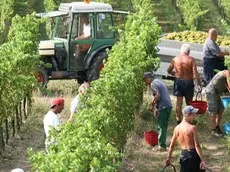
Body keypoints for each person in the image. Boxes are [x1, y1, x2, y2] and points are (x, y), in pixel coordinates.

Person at [167, 43, 201, 124]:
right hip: (188, 82)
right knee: (189, 102)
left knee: (179, 102)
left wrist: (174, 73)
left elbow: (169, 70)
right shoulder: (191, 59)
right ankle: (189, 120)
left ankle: (178, 120)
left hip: (178, 81)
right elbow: (195, 72)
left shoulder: (175, 59)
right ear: (189, 52)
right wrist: (198, 84)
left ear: (181, 51)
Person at [165, 105, 206, 172]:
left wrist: (168, 157)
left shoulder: (177, 128)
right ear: (187, 115)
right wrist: (202, 160)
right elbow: (197, 145)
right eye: (193, 114)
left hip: (183, 155)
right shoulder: (192, 128)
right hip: (193, 155)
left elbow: (172, 145)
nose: (195, 115)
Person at [144, 72, 172, 151]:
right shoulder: (158, 81)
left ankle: (161, 146)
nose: (145, 82)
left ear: (148, 78)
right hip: (168, 105)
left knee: (161, 126)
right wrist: (156, 108)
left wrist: (152, 105)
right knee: (164, 126)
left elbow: (158, 96)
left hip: (163, 106)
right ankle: (162, 144)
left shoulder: (153, 84)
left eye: (145, 80)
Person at [205, 70, 230, 137]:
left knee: (221, 109)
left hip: (217, 93)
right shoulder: (227, 72)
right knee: (213, 112)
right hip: (211, 92)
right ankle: (213, 131)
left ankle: (217, 126)